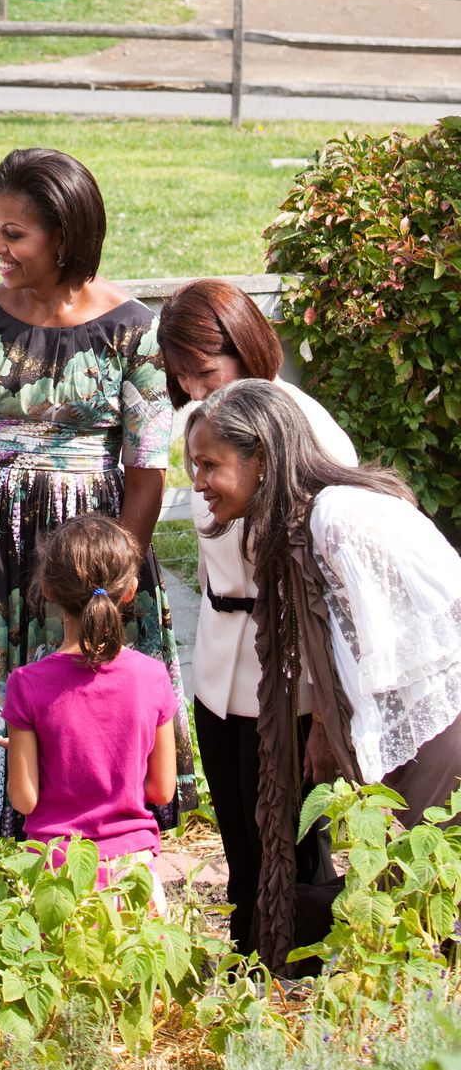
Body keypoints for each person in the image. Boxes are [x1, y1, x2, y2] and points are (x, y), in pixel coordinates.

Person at [0, 147, 193, 842]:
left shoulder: (134, 329)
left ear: (65, 235)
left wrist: (121, 563)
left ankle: (100, 831)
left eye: (15, 232)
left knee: (85, 681)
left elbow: (147, 466)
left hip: (92, 538)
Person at [186, 380, 461, 973]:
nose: (199, 482)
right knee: (407, 888)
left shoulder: (337, 517)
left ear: (261, 456)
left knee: (410, 885)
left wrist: (356, 743)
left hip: (439, 709)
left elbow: (392, 651)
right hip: (418, 712)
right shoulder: (300, 519)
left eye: (211, 465)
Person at [157, 278, 357, 952]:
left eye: (205, 372)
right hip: (220, 654)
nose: (194, 391)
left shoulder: (304, 427)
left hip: (290, 664)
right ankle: (251, 952)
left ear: (248, 350)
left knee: (292, 828)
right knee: (238, 824)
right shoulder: (199, 421)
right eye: (181, 377)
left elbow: (334, 580)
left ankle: (297, 956)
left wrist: (328, 712)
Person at [4, 516, 177, 911]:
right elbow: (161, 791)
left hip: (59, 872)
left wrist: (22, 750)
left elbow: (25, 799)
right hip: (133, 873)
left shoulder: (26, 684)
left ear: (47, 590)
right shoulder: (151, 676)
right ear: (131, 590)